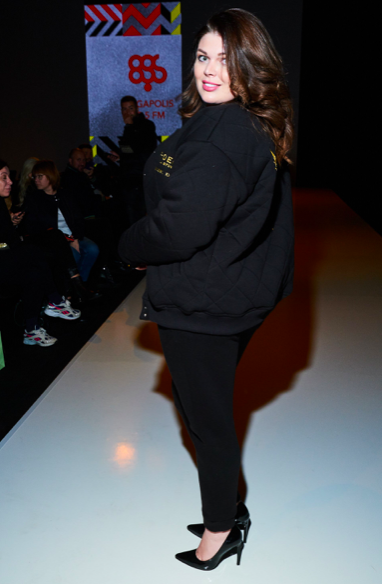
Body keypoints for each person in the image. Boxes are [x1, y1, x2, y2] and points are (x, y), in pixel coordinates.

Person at [118, 9, 294, 571]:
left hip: (204, 300)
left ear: (251, 65)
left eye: (226, 59)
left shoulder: (225, 135)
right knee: (201, 408)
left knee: (207, 420)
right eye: (202, 56)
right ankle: (228, 509)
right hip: (224, 291)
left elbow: (180, 228)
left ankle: (222, 528)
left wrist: (129, 245)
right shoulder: (235, 121)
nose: (210, 70)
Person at [0, 159, 81, 346]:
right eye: (4, 177)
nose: (10, 182)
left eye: (9, 177)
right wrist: (11, 236)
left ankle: (32, 329)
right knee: (34, 253)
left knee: (34, 269)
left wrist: (10, 227)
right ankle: (55, 300)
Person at [24, 159, 101, 300]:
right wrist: (66, 240)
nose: (36, 180)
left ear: (50, 176)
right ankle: (71, 289)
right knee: (74, 255)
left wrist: (75, 238)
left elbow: (78, 218)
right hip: (55, 240)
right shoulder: (34, 199)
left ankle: (81, 285)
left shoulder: (65, 194)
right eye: (35, 177)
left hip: (72, 235)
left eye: (40, 176)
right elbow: (34, 227)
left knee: (92, 249)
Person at [108, 95, 157, 225]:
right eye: (124, 109)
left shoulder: (146, 126)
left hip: (138, 182)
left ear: (137, 109)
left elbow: (144, 153)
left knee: (136, 222)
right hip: (129, 182)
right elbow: (130, 152)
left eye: (130, 108)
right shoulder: (129, 128)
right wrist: (120, 157)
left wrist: (130, 128)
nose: (127, 112)